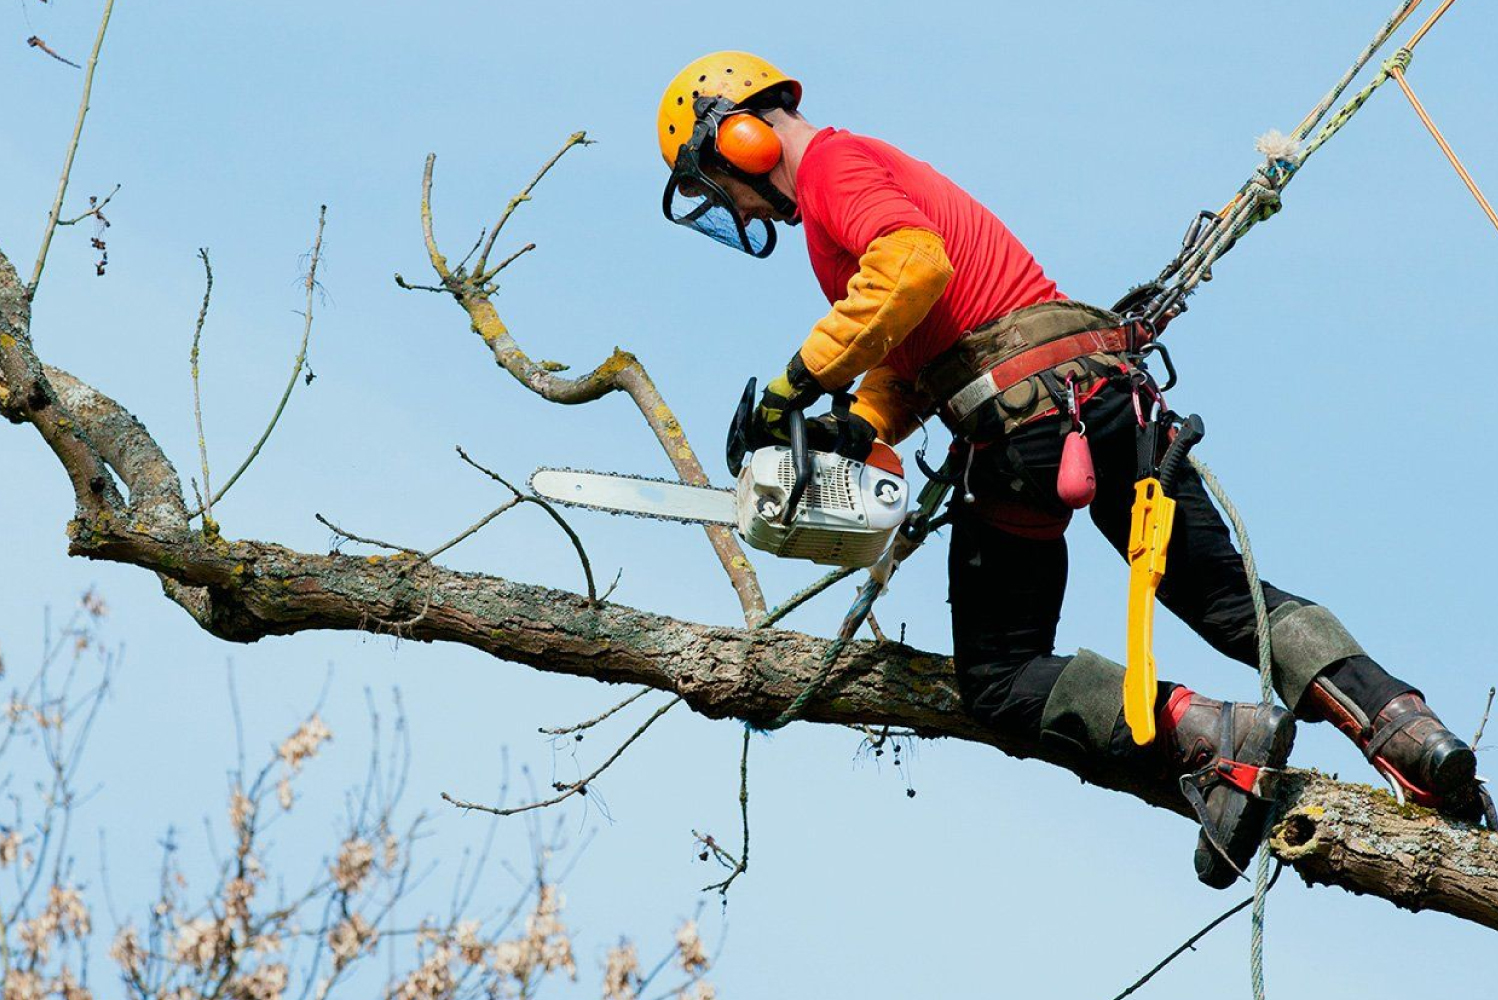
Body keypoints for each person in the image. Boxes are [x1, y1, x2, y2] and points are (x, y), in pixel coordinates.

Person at [656, 51, 1489, 885]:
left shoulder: (834, 166)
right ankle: (1407, 728)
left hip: (1028, 431)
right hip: (1104, 402)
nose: (726, 201)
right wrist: (859, 423)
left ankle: (1209, 736)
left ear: (740, 137)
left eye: (712, 182)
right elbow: (914, 341)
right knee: (1219, 591)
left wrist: (794, 384)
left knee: (1002, 674)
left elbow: (913, 268)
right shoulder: (862, 173)